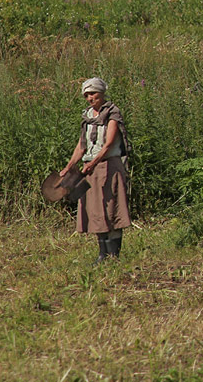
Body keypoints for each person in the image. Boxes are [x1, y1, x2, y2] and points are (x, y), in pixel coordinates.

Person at [61, 77, 131, 264]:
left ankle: (114, 256)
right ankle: (102, 255)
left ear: (102, 92)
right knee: (95, 212)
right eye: (87, 95)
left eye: (93, 93)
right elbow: (81, 147)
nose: (90, 98)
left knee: (111, 210)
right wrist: (69, 167)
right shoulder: (87, 117)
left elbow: (108, 144)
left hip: (108, 166)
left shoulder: (112, 113)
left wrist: (93, 164)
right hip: (89, 169)